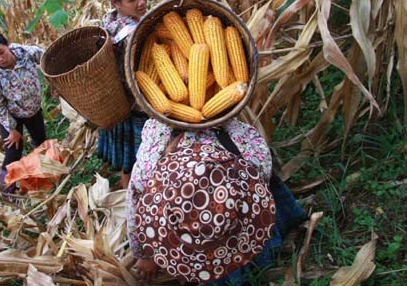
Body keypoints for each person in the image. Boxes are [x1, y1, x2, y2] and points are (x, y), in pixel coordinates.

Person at [126, 118, 306, 284]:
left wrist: (144, 255)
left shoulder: (147, 176)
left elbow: (134, 207)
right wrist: (144, 254)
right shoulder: (149, 169)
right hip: (235, 206)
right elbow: (264, 172)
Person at [97, 0, 150, 189]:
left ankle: (127, 184)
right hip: (134, 104)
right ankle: (132, 194)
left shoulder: (109, 20)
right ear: (116, 3)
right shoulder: (130, 34)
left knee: (127, 159)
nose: (141, 2)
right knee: (134, 159)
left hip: (117, 104)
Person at [0, 28, 47, 191]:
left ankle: (42, 175)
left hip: (33, 110)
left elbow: (48, 58)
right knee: (13, 153)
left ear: (8, 45)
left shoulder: (27, 53)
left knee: (40, 142)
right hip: (11, 117)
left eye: (1, 52)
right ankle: (8, 189)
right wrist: (12, 129)